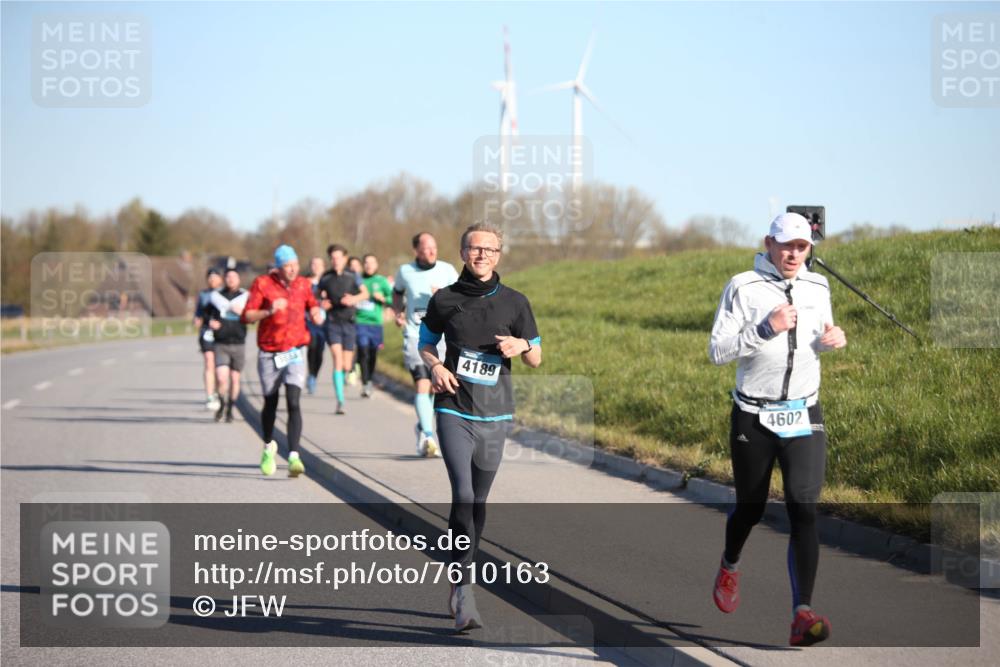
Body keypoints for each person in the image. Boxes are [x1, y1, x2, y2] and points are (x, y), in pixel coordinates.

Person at [708, 212, 847, 647]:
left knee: (803, 507)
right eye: (786, 245)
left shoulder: (818, 286)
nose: (793, 254)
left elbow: (819, 335)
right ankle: (730, 563)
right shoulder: (742, 286)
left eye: (802, 247)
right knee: (750, 508)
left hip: (804, 412)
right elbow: (718, 351)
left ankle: (802, 614)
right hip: (754, 415)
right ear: (769, 243)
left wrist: (831, 340)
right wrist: (766, 327)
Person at [419, 222, 541, 630]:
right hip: (453, 407)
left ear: (499, 255)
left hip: (496, 413)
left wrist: (522, 345)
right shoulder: (445, 299)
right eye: (475, 248)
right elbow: (425, 342)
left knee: (479, 502)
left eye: (490, 249)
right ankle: (464, 588)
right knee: (464, 494)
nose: (482, 255)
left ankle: (460, 574)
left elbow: (536, 358)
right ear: (462, 253)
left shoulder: (515, 302)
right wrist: (435, 366)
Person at [242, 245, 324, 478]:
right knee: (270, 402)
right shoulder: (262, 284)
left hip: (295, 351)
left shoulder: (303, 284)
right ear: (278, 268)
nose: (292, 269)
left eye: (295, 265)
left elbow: (312, 303)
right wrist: (268, 311)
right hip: (269, 352)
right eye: (287, 266)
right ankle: (269, 446)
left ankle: (294, 456)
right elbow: (247, 315)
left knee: (293, 400)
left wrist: (316, 313)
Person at [393, 232, 459, 457]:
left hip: (441, 337)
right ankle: (429, 436)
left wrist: (443, 295)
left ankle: (422, 427)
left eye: (434, 248)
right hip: (414, 335)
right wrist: (398, 312)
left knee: (434, 387)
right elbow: (397, 293)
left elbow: (461, 297)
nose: (431, 252)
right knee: (422, 383)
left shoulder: (447, 270)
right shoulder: (405, 271)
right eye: (426, 249)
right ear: (416, 251)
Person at [317, 244, 368, 415]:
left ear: (345, 259)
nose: (336, 261)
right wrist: (321, 303)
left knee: (346, 365)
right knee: (337, 361)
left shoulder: (353, 276)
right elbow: (316, 295)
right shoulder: (325, 277)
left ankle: (349, 373)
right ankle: (340, 401)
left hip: (349, 322)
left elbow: (365, 293)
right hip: (332, 323)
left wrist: (353, 299)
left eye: (339, 257)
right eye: (333, 258)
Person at [205, 268, 248, 423]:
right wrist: (210, 322)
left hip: (239, 342)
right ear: (225, 279)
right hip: (221, 342)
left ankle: (230, 408)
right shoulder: (216, 296)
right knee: (222, 378)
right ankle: (222, 403)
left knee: (235, 379)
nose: (231, 279)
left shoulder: (245, 296)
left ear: (239, 279)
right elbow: (206, 314)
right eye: (228, 277)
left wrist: (243, 313)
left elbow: (252, 316)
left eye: (234, 277)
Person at [355, 253, 394, 398]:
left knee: (372, 354)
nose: (369, 265)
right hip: (360, 321)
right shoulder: (358, 280)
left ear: (376, 265)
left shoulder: (381, 281)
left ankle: (369, 379)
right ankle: (365, 383)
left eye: (372, 262)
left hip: (376, 323)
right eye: (366, 262)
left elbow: (392, 299)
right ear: (363, 265)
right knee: (363, 350)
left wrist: (382, 298)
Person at [194, 268, 223, 410]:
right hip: (207, 333)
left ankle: (219, 392)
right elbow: (198, 313)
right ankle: (210, 395)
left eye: (215, 277)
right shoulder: (203, 294)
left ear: (220, 279)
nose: (212, 280)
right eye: (209, 278)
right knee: (209, 362)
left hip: (223, 334)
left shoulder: (225, 293)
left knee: (220, 367)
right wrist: (197, 320)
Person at [306, 257, 328, 394]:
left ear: (324, 267)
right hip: (309, 321)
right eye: (313, 264)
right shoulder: (305, 282)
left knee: (319, 351)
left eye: (319, 264)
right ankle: (310, 374)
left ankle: (314, 374)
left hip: (324, 322)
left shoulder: (328, 282)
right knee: (311, 347)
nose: (316, 267)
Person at [346, 255, 365, 387]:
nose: (354, 268)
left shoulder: (365, 282)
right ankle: (351, 369)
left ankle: (357, 365)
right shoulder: (346, 281)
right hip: (351, 319)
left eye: (356, 266)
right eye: (351, 266)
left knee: (362, 347)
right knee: (351, 346)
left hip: (365, 320)